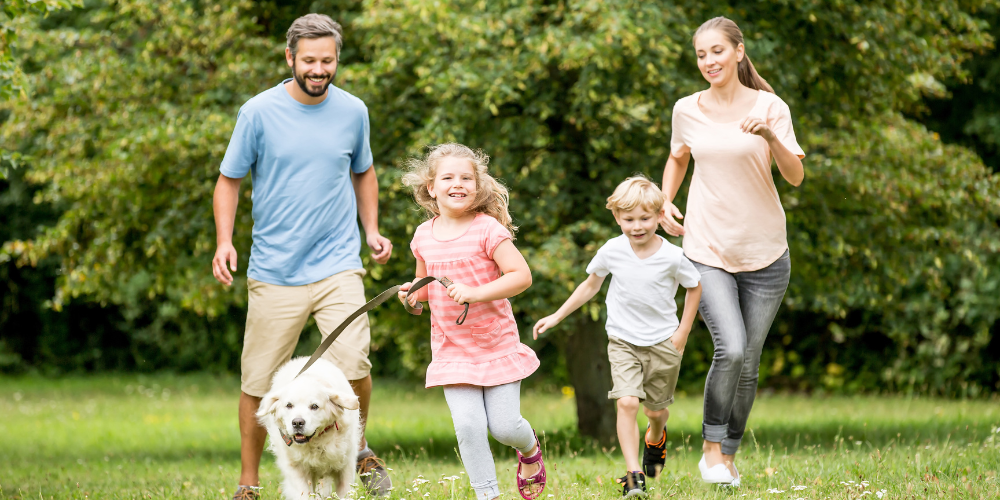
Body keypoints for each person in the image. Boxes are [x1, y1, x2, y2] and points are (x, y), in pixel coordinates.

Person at [211, 14, 394, 500]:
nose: (319, 69)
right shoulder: (257, 112)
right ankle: (248, 483)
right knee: (258, 382)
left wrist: (372, 230)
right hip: (275, 270)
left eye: (327, 60)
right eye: (309, 60)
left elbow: (364, 171)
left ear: (337, 59)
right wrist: (224, 241)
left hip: (338, 263)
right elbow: (228, 180)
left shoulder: (353, 110)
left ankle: (358, 448)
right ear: (290, 57)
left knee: (355, 367)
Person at [660, 16, 806, 486]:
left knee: (750, 362)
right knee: (733, 348)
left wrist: (769, 136)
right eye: (701, 54)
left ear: (739, 52)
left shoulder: (770, 107)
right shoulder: (687, 109)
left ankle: (728, 453)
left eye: (717, 51)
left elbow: (796, 176)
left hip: (767, 252)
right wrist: (665, 200)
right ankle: (710, 450)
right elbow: (678, 156)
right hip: (707, 247)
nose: (709, 61)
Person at [533, 176, 702, 498]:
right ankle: (633, 474)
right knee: (626, 402)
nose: (637, 226)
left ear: (659, 216)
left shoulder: (672, 255)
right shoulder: (612, 250)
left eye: (645, 218)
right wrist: (556, 315)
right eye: (629, 219)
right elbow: (590, 286)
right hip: (623, 340)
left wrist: (683, 331)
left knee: (655, 411)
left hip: (663, 342)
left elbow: (694, 287)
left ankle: (656, 436)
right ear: (617, 217)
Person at [396, 143, 546, 500]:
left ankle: (529, 450)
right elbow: (425, 289)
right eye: (448, 177)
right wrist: (411, 296)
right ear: (431, 187)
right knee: (468, 426)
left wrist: (475, 293)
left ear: (477, 187)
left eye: (466, 178)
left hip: (495, 344)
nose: (458, 184)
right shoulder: (423, 235)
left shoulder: (487, 229)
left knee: (505, 427)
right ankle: (487, 494)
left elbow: (521, 276)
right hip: (452, 349)